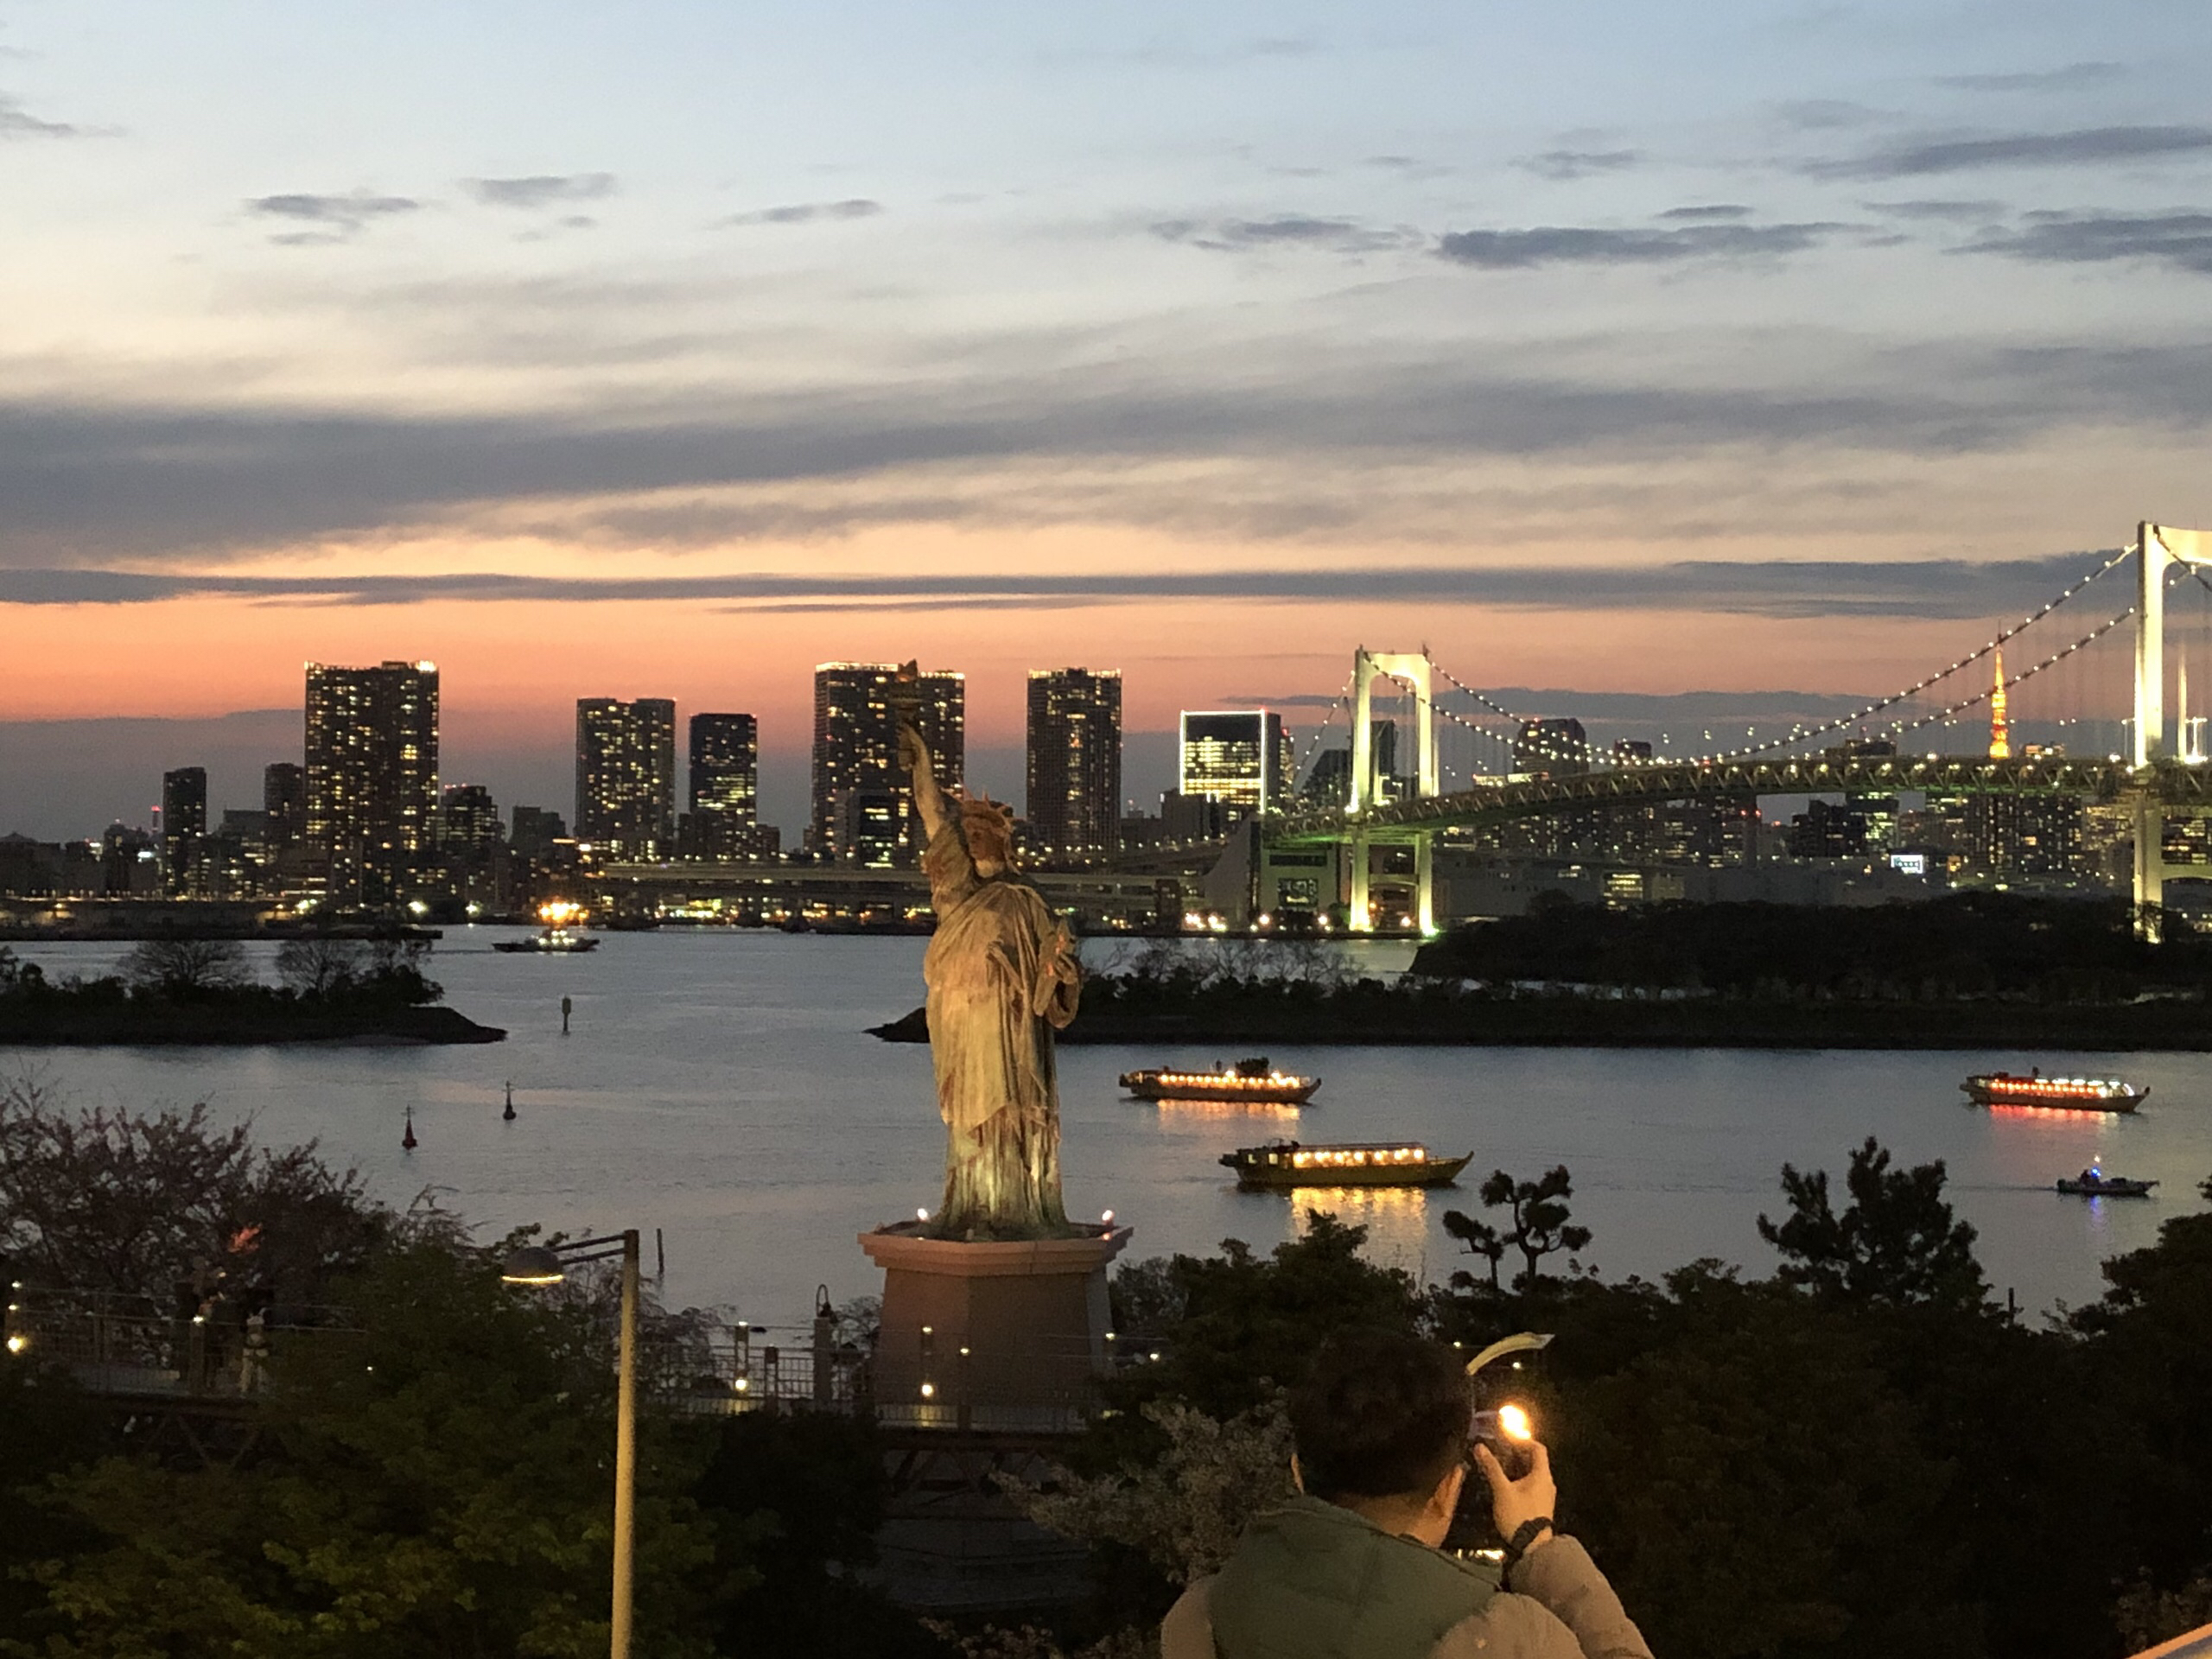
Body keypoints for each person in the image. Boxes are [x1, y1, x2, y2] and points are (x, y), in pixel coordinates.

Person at [1163, 1331, 1652, 1659]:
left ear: (1298, 1472)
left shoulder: (1202, 1618)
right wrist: (1539, 1544)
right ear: (1449, 1488)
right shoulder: (1502, 1636)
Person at [897, 709, 1083, 1236]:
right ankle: (972, 1204)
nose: (972, 841)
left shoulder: (1026, 900)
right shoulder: (958, 892)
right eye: (967, 834)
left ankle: (1012, 1207)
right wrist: (923, 764)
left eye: (982, 834)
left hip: (1011, 1023)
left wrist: (1062, 973)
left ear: (1004, 842)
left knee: (1010, 1112)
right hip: (962, 1020)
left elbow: (1054, 976)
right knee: (969, 1118)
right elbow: (933, 816)